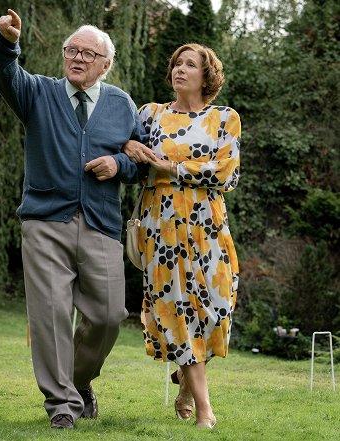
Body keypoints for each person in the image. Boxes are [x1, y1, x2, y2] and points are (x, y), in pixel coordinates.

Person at [0, 9, 147, 429]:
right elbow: (5, 73)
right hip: (45, 221)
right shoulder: (38, 93)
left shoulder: (121, 104)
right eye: (71, 50)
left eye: (87, 53)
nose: (77, 58)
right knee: (51, 314)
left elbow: (141, 162)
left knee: (110, 316)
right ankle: (61, 404)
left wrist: (118, 164)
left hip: (101, 223)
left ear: (105, 64)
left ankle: (78, 381)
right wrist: (7, 43)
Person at [123, 43, 241, 429]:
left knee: (217, 310)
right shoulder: (150, 114)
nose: (180, 69)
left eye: (190, 64)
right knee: (179, 311)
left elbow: (226, 174)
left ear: (207, 76)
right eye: (177, 63)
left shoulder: (224, 118)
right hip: (161, 226)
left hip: (209, 226)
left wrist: (170, 166)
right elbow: (127, 155)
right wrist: (128, 145)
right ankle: (205, 409)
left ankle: (186, 379)